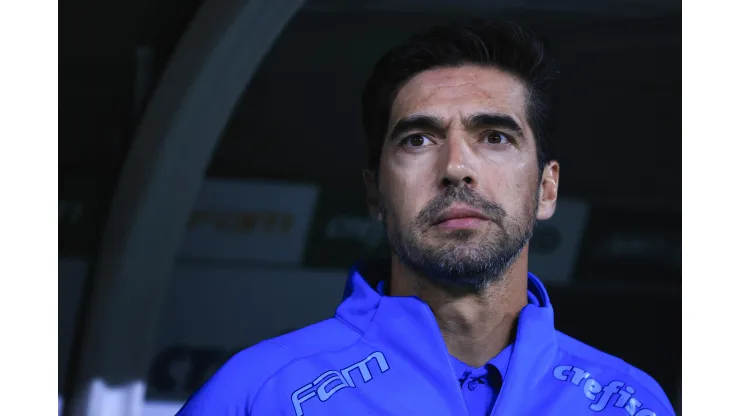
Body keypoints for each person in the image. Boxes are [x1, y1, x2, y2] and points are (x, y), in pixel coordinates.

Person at [176, 20, 675, 415]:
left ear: (547, 188)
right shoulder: (260, 395)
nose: (456, 166)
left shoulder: (631, 403)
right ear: (375, 194)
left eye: (495, 136)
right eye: (418, 139)